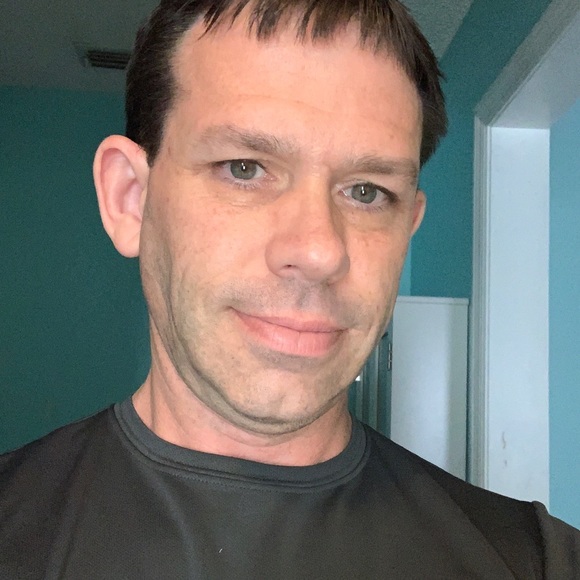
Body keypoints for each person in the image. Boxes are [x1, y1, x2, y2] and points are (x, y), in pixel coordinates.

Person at [1, 0, 579, 577]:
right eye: (244, 168)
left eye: (367, 192)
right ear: (131, 199)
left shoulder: (537, 561)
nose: (320, 250)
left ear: (407, 228)